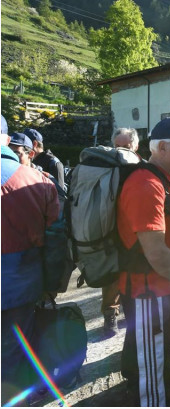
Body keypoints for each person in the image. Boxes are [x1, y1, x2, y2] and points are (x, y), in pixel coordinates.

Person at [117, 117, 170, 406]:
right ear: (162, 148)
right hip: (148, 293)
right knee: (151, 378)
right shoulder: (146, 184)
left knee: (159, 354)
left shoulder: (162, 181)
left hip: (160, 291)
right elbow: (154, 251)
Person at [1, 115, 60, 406]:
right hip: (19, 284)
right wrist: (54, 283)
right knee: (16, 344)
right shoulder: (36, 180)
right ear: (7, 139)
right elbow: (56, 237)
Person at [101, 128, 141, 337]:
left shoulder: (140, 166)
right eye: (117, 147)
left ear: (135, 146)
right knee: (112, 276)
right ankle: (110, 316)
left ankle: (129, 312)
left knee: (133, 273)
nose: (121, 151)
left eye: (125, 147)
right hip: (110, 228)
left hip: (133, 229)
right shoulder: (106, 167)